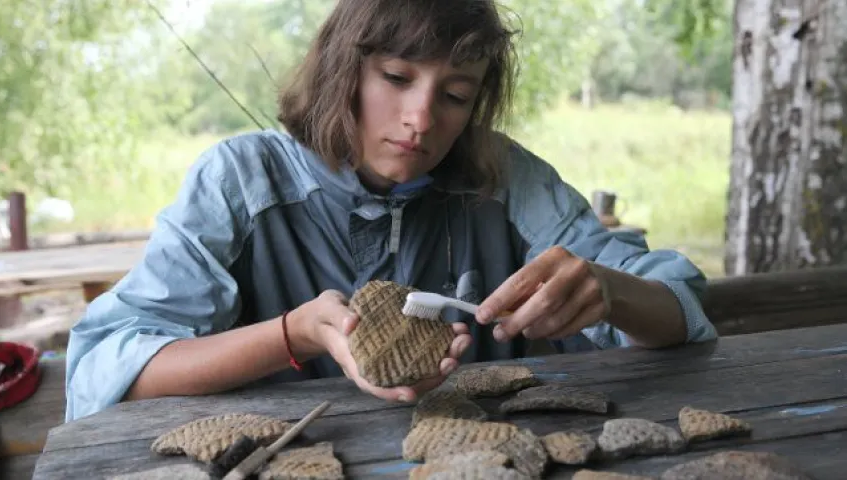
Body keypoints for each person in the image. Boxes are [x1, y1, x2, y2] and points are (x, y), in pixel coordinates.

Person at [64, 0, 717, 422]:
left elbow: (681, 311)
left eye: (456, 94)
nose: (421, 118)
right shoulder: (238, 179)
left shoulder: (506, 179)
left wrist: (609, 291)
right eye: (397, 78)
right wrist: (291, 335)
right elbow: (106, 368)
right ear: (340, 70)